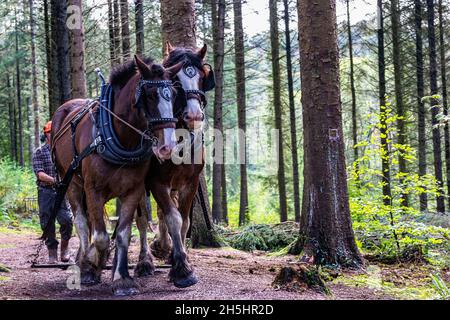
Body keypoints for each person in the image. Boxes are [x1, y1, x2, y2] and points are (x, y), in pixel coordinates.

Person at [32, 121, 73, 264]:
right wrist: (55, 180)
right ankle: (52, 252)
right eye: (50, 132)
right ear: (46, 134)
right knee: (47, 222)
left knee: (67, 220)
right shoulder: (39, 152)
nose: (53, 134)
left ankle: (65, 249)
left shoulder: (63, 152)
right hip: (45, 191)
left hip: (61, 191)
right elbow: (40, 174)